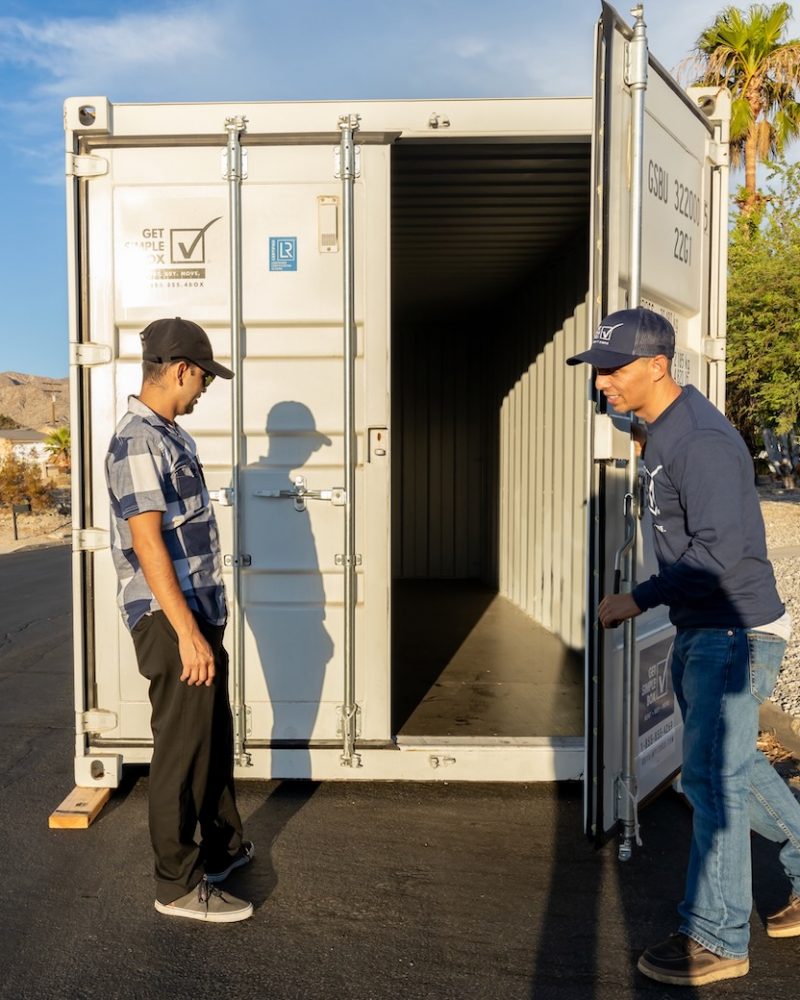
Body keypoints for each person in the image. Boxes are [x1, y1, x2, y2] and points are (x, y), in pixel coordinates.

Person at [567, 306, 800, 987]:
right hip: (712, 628)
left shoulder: (699, 440)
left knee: (715, 783)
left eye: (613, 370)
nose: (603, 382)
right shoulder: (665, 421)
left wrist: (636, 598)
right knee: (727, 772)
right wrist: (631, 424)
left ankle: (718, 936)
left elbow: (721, 550)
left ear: (657, 367)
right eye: (598, 370)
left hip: (733, 632)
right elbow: (626, 413)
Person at [105, 317, 254, 923]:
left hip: (195, 611)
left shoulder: (169, 436)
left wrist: (204, 622)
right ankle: (176, 883)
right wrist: (188, 633)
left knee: (211, 739)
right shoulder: (138, 440)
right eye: (203, 382)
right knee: (181, 749)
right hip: (170, 618)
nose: (203, 392)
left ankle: (220, 848)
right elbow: (147, 543)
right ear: (181, 370)